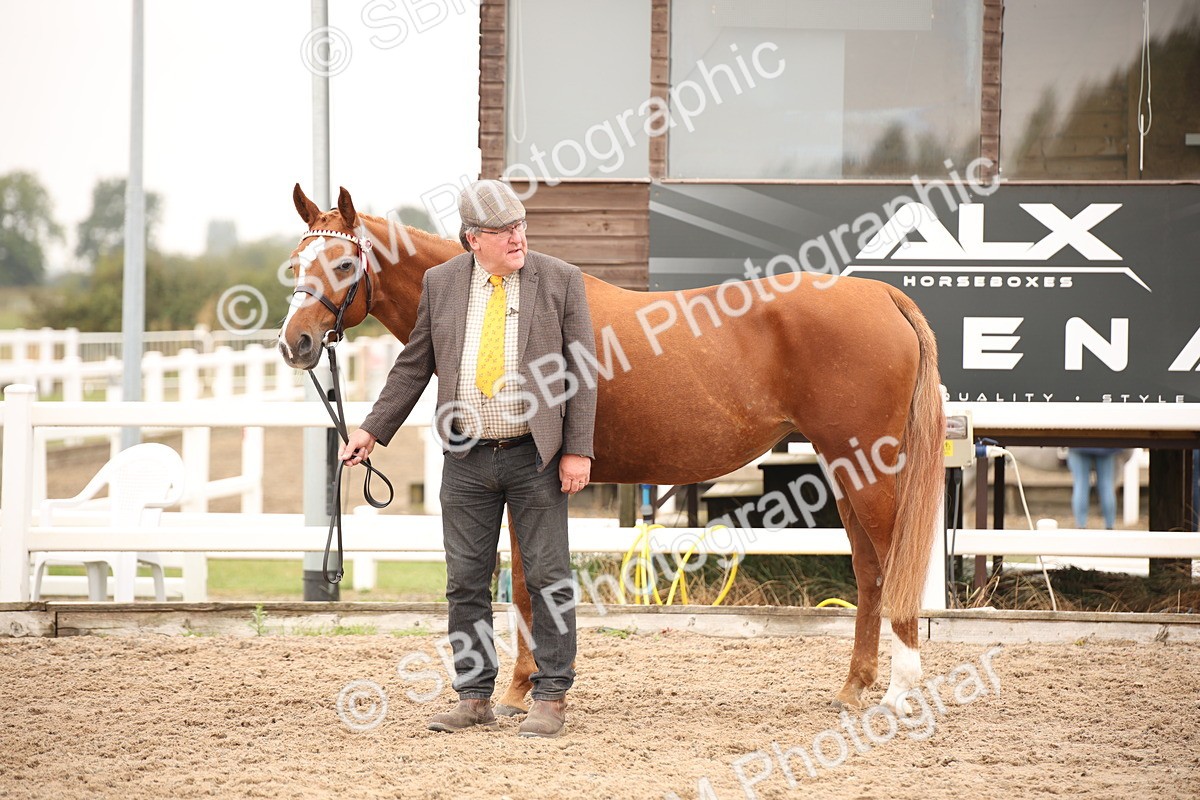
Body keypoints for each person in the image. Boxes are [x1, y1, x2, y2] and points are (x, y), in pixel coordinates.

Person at [340, 180, 597, 738]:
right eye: (504, 231)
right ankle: (474, 695)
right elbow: (414, 365)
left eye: (520, 226)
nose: (517, 238)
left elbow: (582, 374)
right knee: (465, 581)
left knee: (550, 577)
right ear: (473, 239)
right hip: (466, 459)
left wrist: (577, 449)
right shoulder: (442, 283)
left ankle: (551, 695)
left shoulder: (560, 280)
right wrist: (372, 430)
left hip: (536, 457)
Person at [1066, 447, 1121, 529]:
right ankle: (1109, 526)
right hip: (1105, 444)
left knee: (1080, 483)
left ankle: (1081, 526)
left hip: (1078, 442)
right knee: (1106, 483)